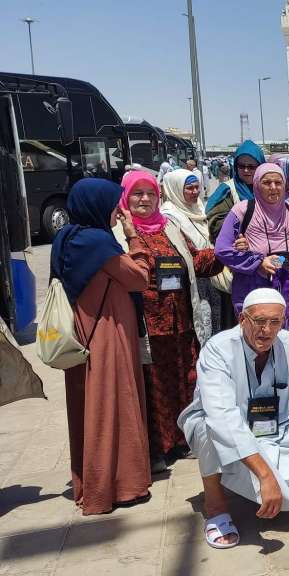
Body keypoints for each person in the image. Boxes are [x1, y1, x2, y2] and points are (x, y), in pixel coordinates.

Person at [178, 288, 289, 548]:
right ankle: (215, 506)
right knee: (206, 427)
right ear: (242, 319)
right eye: (259, 321)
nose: (267, 330)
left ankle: (285, 488)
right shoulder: (218, 349)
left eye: (275, 322)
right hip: (228, 426)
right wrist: (265, 475)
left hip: (278, 425)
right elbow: (223, 416)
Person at [52, 178, 152, 515]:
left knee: (91, 406)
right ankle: (120, 486)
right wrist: (134, 238)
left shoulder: (68, 236)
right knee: (113, 404)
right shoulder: (97, 243)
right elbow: (139, 278)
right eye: (114, 203)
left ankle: (96, 480)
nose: (119, 209)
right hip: (106, 332)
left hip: (84, 331)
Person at [117, 170, 223, 472]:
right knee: (155, 387)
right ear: (125, 197)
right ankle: (157, 449)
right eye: (137, 194)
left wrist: (225, 251)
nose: (145, 199)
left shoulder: (170, 227)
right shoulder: (121, 234)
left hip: (181, 322)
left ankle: (183, 439)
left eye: (150, 193)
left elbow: (196, 261)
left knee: (185, 381)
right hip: (147, 325)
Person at [215, 163, 289, 336]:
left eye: (278, 182)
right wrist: (258, 262)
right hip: (251, 288)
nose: (273, 188)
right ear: (256, 184)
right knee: (256, 342)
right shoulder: (243, 211)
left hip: (286, 288)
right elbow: (222, 249)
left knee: (287, 344)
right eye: (267, 182)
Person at [161, 168, 223, 336]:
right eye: (189, 188)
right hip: (193, 279)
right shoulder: (169, 216)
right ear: (175, 189)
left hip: (210, 273)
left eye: (197, 187)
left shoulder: (198, 208)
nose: (195, 192)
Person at [206, 140, 266, 242]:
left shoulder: (266, 187)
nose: (246, 170)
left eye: (251, 167)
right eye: (242, 166)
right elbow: (215, 225)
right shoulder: (227, 190)